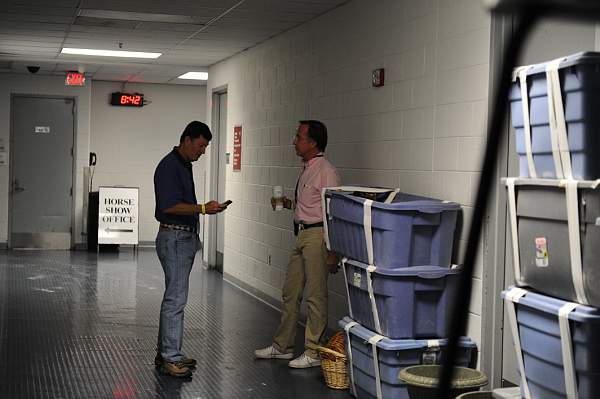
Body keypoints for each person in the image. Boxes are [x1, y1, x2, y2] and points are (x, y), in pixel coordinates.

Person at [255, 120, 341, 368]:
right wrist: (286, 202)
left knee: (315, 296)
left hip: (317, 237)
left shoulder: (326, 171)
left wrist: (332, 252)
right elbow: (310, 207)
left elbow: (333, 213)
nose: (294, 140)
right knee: (290, 292)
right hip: (302, 234)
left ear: (312, 142)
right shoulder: (307, 168)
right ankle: (283, 346)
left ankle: (314, 352)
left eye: (299, 136)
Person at [153, 121, 228, 377]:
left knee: (175, 297)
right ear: (186, 140)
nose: (203, 151)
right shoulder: (169, 166)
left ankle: (167, 353)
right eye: (200, 145)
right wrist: (203, 208)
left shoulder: (183, 164)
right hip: (174, 238)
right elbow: (169, 205)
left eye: (205, 147)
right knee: (175, 299)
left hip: (181, 238)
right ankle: (171, 357)